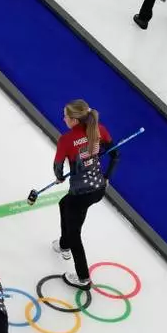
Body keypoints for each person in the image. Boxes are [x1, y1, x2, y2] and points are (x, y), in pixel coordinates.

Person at [51, 100, 118, 289]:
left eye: (65, 116)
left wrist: (59, 178)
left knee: (75, 234)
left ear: (74, 120)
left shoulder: (66, 140)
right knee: (64, 204)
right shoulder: (99, 130)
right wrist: (107, 177)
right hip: (98, 188)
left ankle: (83, 279)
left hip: (80, 193)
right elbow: (115, 154)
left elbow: (57, 167)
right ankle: (64, 244)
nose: (63, 119)